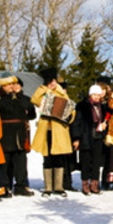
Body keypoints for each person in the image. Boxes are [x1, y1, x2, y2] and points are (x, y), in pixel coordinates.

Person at [31, 68, 75, 197]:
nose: (52, 83)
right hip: (46, 130)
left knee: (59, 157)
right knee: (47, 157)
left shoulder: (61, 93)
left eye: (53, 81)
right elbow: (35, 99)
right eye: (49, 81)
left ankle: (59, 186)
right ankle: (48, 187)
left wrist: (68, 117)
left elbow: (70, 108)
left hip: (59, 131)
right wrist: (45, 89)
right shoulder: (43, 92)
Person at [0, 72, 36, 197]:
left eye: (13, 84)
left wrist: (22, 98)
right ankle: (5, 186)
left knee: (21, 161)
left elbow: (32, 115)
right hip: (5, 133)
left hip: (20, 133)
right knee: (5, 162)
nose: (12, 86)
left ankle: (21, 186)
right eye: (9, 84)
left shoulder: (23, 98)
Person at [72, 85, 109, 195]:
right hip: (86, 137)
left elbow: (105, 121)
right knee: (85, 162)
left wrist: (104, 128)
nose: (97, 97)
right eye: (94, 95)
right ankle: (85, 185)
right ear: (90, 95)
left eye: (98, 95)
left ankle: (94, 184)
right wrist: (76, 138)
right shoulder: (82, 106)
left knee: (97, 162)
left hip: (98, 138)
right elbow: (76, 123)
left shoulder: (102, 107)